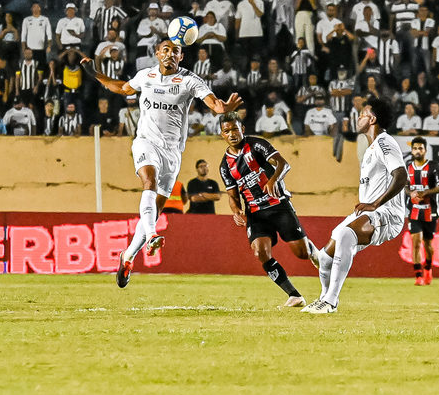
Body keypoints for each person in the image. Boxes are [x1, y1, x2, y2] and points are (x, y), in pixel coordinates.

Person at [82, 38, 242, 288]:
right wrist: (95, 73)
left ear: (181, 57)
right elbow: (122, 88)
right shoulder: (146, 76)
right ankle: (153, 235)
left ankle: (128, 256)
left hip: (172, 153)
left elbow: (213, 103)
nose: (170, 54)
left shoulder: (189, 80)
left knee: (155, 210)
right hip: (146, 142)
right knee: (149, 180)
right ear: (157, 53)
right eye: (165, 50)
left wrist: (223, 108)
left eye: (175, 51)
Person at [303, 100, 408, 314]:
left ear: (372, 119)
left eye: (362, 114)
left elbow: (401, 175)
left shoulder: (384, 142)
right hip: (369, 213)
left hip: (387, 214)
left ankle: (331, 301)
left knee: (345, 236)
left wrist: (375, 203)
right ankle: (324, 299)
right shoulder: (372, 147)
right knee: (324, 258)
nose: (358, 117)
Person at [219, 113, 324, 308]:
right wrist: (236, 211)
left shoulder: (257, 145)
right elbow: (232, 195)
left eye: (235, 129)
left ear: (242, 129)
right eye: (227, 131)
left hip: (278, 205)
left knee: (301, 254)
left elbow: (284, 164)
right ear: (221, 134)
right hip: (256, 213)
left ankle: (309, 247)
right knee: (261, 252)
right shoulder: (225, 166)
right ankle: (294, 295)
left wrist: (274, 179)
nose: (232, 134)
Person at [406, 136, 439, 286]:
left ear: (425, 150)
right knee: (415, 242)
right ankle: (418, 276)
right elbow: (403, 186)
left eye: (420, 148)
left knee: (428, 245)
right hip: (414, 211)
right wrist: (410, 193)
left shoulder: (434, 166)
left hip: (430, 211)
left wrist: (426, 193)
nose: (417, 151)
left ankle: (428, 268)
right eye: (415, 148)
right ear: (412, 150)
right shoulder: (408, 167)